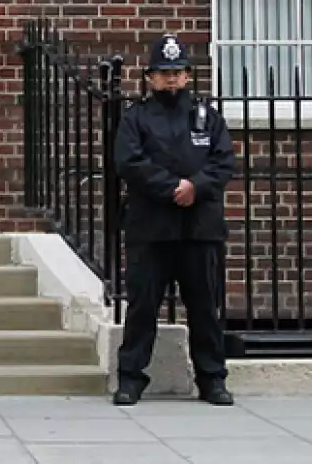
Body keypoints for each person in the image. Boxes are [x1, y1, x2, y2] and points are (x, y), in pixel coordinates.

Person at [113, 33, 235, 407]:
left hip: (199, 228)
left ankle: (212, 379)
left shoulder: (206, 117)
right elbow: (129, 163)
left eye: (178, 71)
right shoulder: (135, 119)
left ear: (188, 76)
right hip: (151, 228)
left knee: (204, 307)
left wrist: (195, 187)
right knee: (142, 307)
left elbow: (224, 161)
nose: (171, 78)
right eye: (163, 72)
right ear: (150, 77)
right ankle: (131, 378)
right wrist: (172, 188)